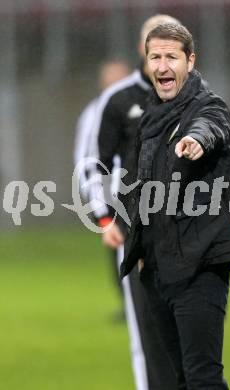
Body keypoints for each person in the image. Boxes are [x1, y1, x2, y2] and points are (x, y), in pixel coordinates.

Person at [119, 23, 230, 389]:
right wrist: (141, 250)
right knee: (178, 380)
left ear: (190, 61)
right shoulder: (149, 118)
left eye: (171, 57)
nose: (162, 66)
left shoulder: (208, 106)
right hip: (158, 269)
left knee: (203, 377)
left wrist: (196, 140)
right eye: (155, 57)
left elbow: (212, 126)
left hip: (199, 265)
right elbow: (141, 188)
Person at [87, 15, 182, 390]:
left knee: (195, 326)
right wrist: (104, 217)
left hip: (189, 228)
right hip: (138, 229)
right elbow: (92, 163)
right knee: (147, 329)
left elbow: (225, 157)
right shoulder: (118, 100)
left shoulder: (200, 96)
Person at [73, 59, 130, 321]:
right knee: (118, 249)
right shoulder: (93, 113)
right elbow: (84, 157)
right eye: (111, 79)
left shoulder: (143, 107)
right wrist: (93, 198)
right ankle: (129, 303)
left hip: (146, 192)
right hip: (110, 194)